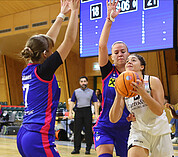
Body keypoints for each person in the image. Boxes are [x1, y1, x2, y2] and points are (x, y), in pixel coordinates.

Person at [16, 0, 79, 156]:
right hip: (38, 135)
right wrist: (75, 12)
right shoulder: (43, 71)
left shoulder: (28, 70)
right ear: (45, 54)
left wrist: (61, 15)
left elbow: (45, 42)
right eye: (50, 51)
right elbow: (69, 41)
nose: (52, 52)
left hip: (24, 133)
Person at [109, 54, 174, 157]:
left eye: (133, 60)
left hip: (159, 130)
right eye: (127, 61)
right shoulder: (123, 86)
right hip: (138, 130)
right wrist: (118, 96)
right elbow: (113, 119)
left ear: (142, 67)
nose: (129, 62)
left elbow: (159, 111)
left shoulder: (152, 81)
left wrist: (143, 93)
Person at [93, 0, 131, 156]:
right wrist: (109, 20)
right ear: (112, 57)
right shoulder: (108, 71)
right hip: (105, 125)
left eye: (123, 51)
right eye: (116, 52)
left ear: (128, 54)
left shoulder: (134, 76)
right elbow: (102, 46)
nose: (120, 54)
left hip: (127, 127)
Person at [68, 76, 98, 155]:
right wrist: (70, 112)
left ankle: (88, 149)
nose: (83, 83)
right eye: (82, 81)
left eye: (85, 81)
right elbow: (72, 102)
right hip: (78, 112)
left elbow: (95, 102)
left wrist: (96, 114)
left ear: (87, 82)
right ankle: (76, 149)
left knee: (88, 131)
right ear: (80, 83)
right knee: (77, 131)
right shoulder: (76, 91)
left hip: (87, 111)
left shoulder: (91, 92)